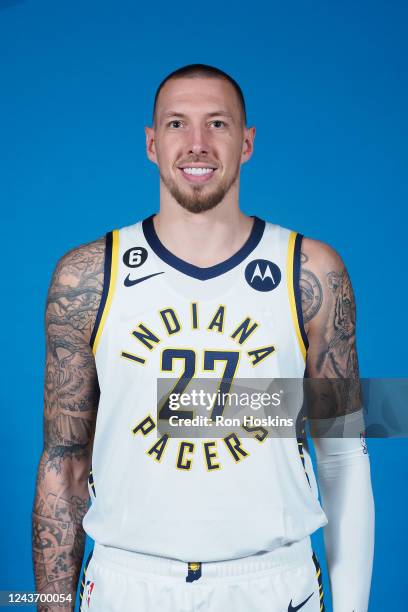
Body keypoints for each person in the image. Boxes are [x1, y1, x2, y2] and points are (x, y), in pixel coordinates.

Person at [32, 64, 375, 612]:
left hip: (274, 582)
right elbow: (64, 460)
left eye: (217, 124)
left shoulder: (309, 270)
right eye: (176, 124)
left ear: (247, 142)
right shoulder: (87, 276)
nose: (197, 144)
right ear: (151, 142)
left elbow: (342, 452)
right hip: (127, 582)